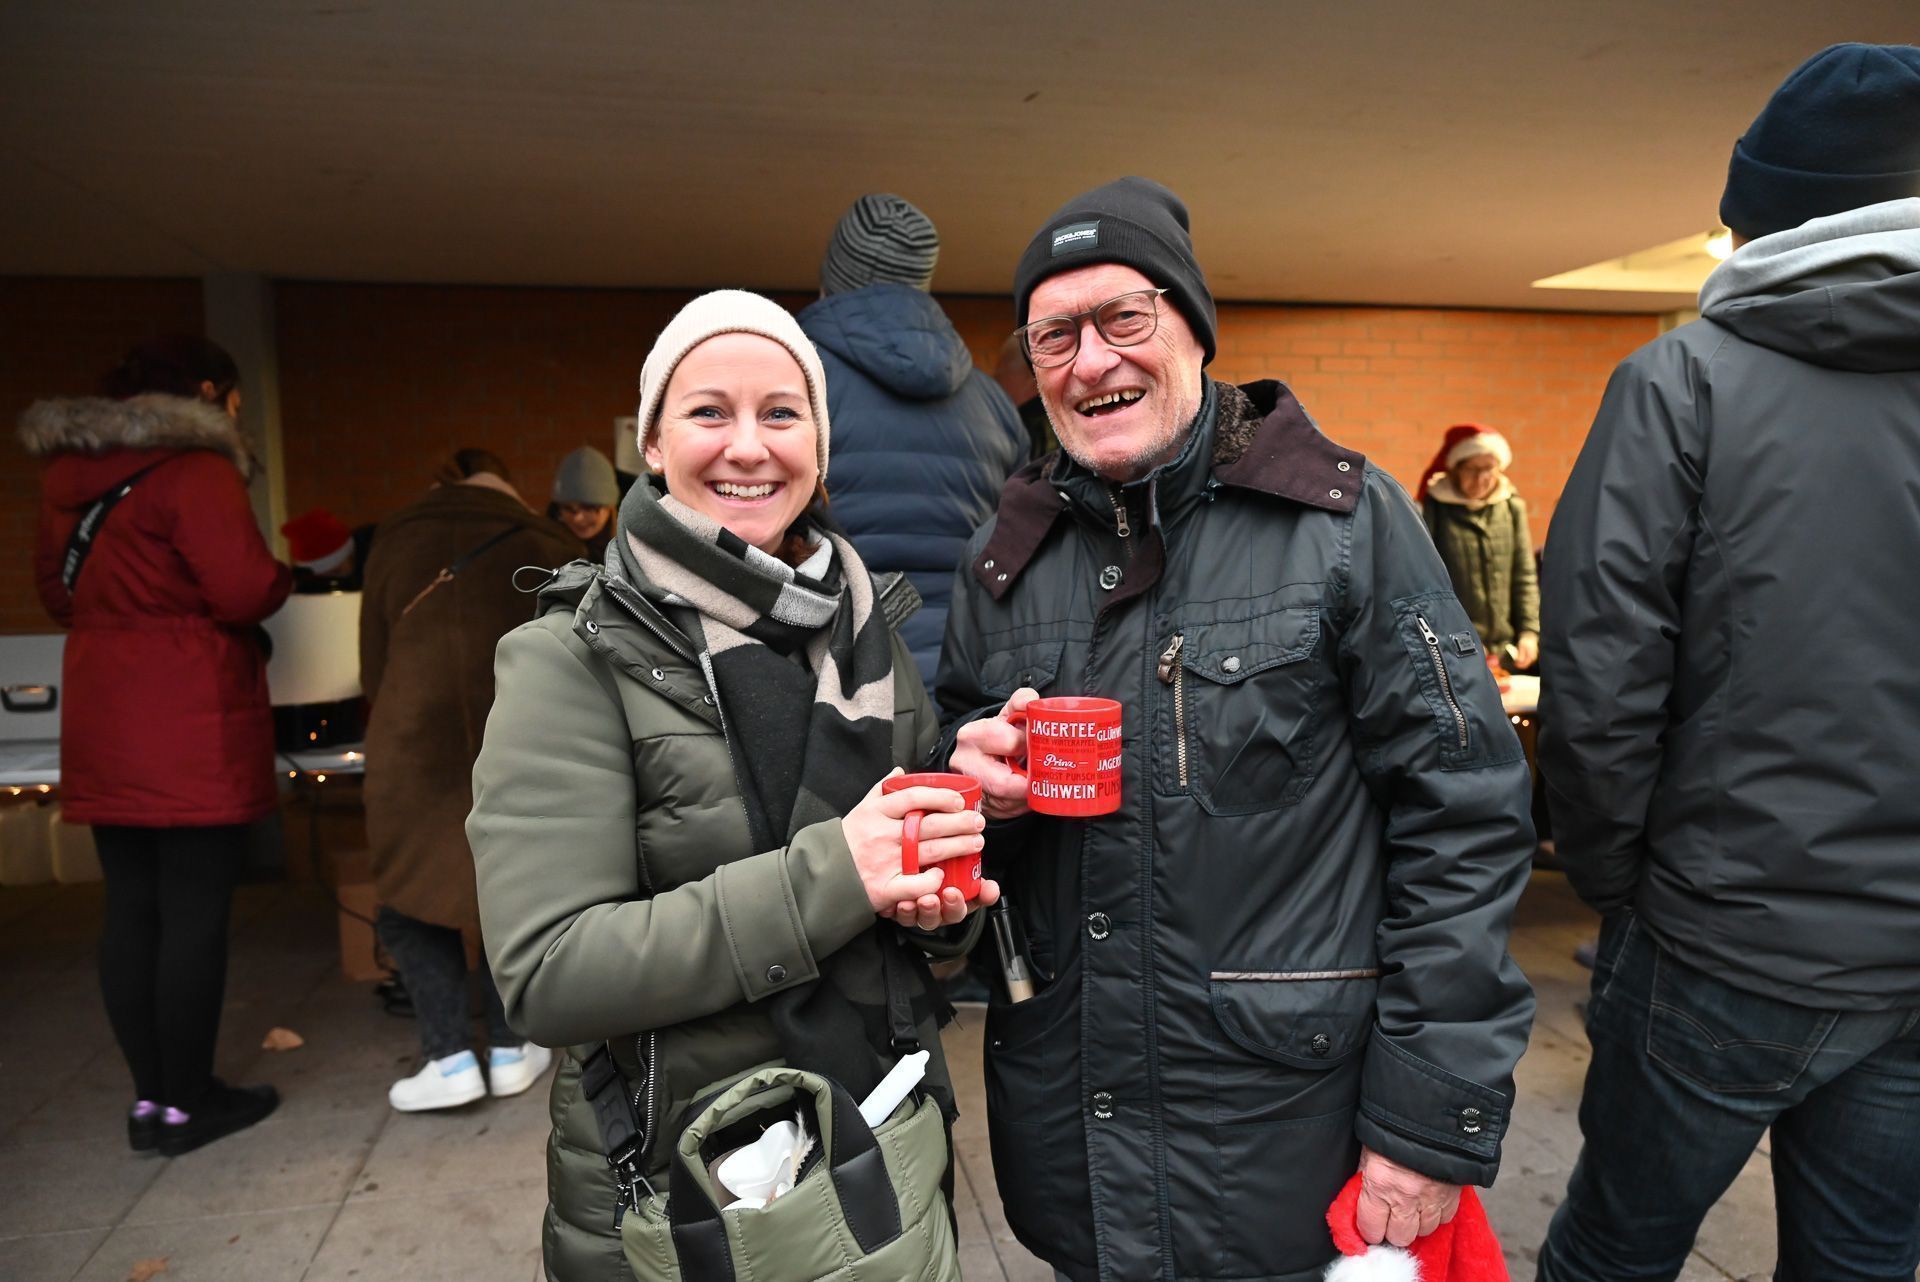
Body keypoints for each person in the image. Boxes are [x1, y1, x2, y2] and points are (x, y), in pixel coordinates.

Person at [939, 178, 1537, 1281]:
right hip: (1073, 1141)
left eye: (1126, 319)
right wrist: (970, 786)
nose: (1092, 360)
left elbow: (1467, 820)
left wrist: (1422, 1122)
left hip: (1290, 1140)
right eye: (1053, 335)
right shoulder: (1001, 560)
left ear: (1194, 331)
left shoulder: (1346, 528)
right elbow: (957, 826)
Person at [467, 291, 999, 1281]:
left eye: (782, 413)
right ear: (655, 446)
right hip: (686, 1185)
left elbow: (915, 925)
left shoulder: (870, 635)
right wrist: (840, 873)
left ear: (821, 447)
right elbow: (547, 972)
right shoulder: (568, 657)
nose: (748, 447)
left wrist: (940, 906)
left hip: (879, 1151)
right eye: (709, 411)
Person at [1535, 42, 1920, 1282]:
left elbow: (1599, 678)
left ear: (1760, 220)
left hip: (1721, 933)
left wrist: (1615, 880)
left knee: (1614, 1249)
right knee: (1866, 1260)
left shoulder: (1683, 384)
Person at [20, 335, 291, 1155]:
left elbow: (55, 593)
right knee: (195, 914)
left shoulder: (66, 480)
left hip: (104, 712)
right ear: (211, 392)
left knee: (130, 910)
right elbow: (243, 589)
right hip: (190, 719)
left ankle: (151, 1101)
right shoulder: (196, 469)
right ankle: (191, 1100)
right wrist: (279, 580)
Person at [359, 447, 580, 1111]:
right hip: (521, 738)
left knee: (410, 899)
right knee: (514, 889)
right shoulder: (547, 541)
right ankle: (515, 1046)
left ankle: (449, 1055)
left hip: (411, 744)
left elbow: (373, 661)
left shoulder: (395, 539)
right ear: (508, 486)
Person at [796, 193, 1028, 691]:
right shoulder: (994, 407)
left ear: (829, 284)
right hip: (964, 682)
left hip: (829, 681)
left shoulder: (789, 384)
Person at [1416, 424, 1539, 671]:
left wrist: (1529, 631)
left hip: (1505, 649)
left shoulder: (1510, 506)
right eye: (1473, 469)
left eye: (1489, 469)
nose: (1482, 478)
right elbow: (1426, 582)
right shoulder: (1434, 508)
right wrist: (1457, 633)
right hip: (1453, 646)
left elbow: (1523, 575)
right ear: (1454, 469)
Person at [547, 445, 619, 562]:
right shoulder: (547, 552)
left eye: (589, 508)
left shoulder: (629, 556)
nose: (578, 518)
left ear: (609, 508)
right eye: (568, 508)